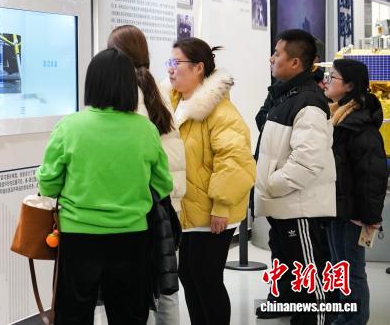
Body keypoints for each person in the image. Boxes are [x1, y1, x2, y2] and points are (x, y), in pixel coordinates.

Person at [36, 48, 173, 325]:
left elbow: (48, 184)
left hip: (78, 237)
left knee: (73, 315)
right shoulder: (145, 129)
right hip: (132, 236)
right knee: (129, 316)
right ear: (129, 86)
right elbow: (163, 183)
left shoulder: (69, 127)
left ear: (92, 84)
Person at [165, 37, 256, 325]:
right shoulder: (177, 103)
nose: (170, 69)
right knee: (189, 274)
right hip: (191, 207)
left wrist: (221, 205)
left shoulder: (220, 111)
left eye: (176, 62)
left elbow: (234, 161)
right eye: (169, 62)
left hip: (214, 209)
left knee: (206, 278)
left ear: (199, 68)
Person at [255, 29, 336, 325]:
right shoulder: (285, 94)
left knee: (309, 282)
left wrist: (271, 184)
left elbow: (306, 164)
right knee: (290, 268)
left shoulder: (309, 103)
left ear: (295, 63)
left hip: (299, 207)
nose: (272, 58)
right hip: (285, 206)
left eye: (277, 54)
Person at [107, 25, 187, 325]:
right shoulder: (158, 91)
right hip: (167, 205)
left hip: (145, 207)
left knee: (139, 289)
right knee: (165, 285)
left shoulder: (128, 99)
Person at [323, 59, 388, 324]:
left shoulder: (360, 127)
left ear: (349, 85)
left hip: (353, 214)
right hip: (336, 208)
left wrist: (370, 217)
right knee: (340, 269)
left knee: (352, 271)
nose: (326, 81)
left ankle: (355, 319)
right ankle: (344, 315)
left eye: (333, 77)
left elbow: (372, 176)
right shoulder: (337, 118)